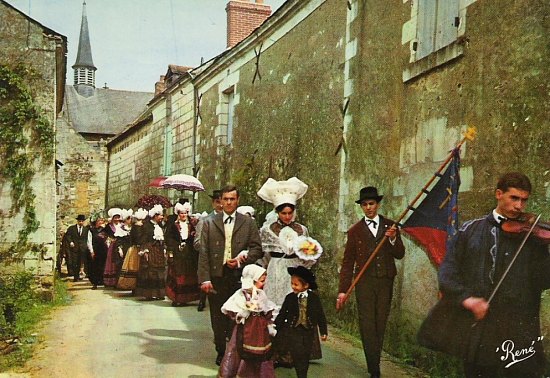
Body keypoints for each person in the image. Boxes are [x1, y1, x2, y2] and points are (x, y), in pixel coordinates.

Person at [436, 172, 550, 377]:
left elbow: (543, 280)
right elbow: (448, 272)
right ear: (499, 194)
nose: (519, 206)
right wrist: (467, 299)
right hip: (480, 330)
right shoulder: (470, 230)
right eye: (514, 198)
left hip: (519, 332)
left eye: (524, 200)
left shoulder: (534, 238)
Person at [336, 186, 405, 378]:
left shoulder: (390, 226)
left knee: (380, 323)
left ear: (378, 204)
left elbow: (400, 254)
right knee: (367, 324)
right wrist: (343, 290)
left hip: (385, 281)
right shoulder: (355, 231)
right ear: (361, 207)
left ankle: (374, 362)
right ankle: (374, 369)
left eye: (372, 204)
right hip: (364, 283)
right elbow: (348, 262)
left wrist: (392, 240)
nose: (369, 208)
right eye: (365, 205)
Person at [197, 184, 263, 366]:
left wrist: (242, 259)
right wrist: (205, 279)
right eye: (225, 199)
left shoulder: (247, 222)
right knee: (218, 317)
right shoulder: (210, 222)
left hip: (238, 276)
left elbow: (257, 248)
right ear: (220, 201)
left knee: (238, 315)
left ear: (237, 201)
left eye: (232, 199)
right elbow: (203, 252)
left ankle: (236, 352)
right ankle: (221, 351)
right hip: (217, 275)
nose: (228, 202)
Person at [218, 264, 277, 378]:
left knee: (262, 353)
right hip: (245, 329)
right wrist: (241, 314)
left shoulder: (261, 294)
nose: (264, 284)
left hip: (260, 330)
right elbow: (230, 310)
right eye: (261, 281)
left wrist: (269, 323)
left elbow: (267, 309)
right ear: (252, 281)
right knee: (239, 350)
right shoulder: (241, 295)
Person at [275, 266, 328, 378]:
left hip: (308, 331)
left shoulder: (314, 298)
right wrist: (275, 326)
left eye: (296, 284)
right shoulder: (290, 298)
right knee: (297, 354)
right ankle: (301, 373)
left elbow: (320, 315)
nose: (293, 287)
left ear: (306, 285)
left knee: (305, 355)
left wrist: (324, 332)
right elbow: (282, 313)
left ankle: (302, 374)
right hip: (293, 330)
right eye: (292, 284)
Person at [165, 202, 201, 306]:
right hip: (178, 253)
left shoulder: (192, 225)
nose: (183, 215)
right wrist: (175, 247)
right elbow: (169, 238)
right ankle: (176, 298)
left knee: (188, 275)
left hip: (189, 253)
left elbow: (196, 238)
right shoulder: (173, 225)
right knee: (177, 274)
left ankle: (186, 298)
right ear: (178, 214)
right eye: (181, 213)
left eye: (185, 213)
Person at [194, 189, 223, 312]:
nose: (221, 205)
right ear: (213, 203)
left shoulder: (233, 221)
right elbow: (196, 243)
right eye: (217, 202)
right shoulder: (205, 221)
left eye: (223, 202)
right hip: (212, 266)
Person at [135, 204, 167, 300]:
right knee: (150, 271)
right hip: (150, 249)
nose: (162, 217)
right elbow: (143, 239)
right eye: (160, 215)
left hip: (159, 250)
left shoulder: (159, 225)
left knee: (159, 270)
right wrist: (145, 250)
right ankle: (149, 294)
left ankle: (159, 293)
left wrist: (164, 248)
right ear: (155, 216)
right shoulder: (147, 226)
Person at [117, 208, 147, 291]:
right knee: (134, 267)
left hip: (135, 248)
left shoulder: (135, 227)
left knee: (137, 267)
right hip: (135, 248)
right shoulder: (136, 227)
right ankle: (133, 286)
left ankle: (137, 287)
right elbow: (137, 239)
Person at [64, 214, 91, 282]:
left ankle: (83, 274)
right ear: (77, 221)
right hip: (74, 248)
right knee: (75, 262)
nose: (81, 222)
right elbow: (67, 236)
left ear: (84, 221)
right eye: (79, 221)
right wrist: (71, 242)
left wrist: (88, 247)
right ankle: (76, 277)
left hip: (83, 249)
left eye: (82, 221)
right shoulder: (72, 228)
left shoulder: (86, 229)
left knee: (81, 262)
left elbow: (88, 239)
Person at [103, 208, 123, 287]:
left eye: (118, 217)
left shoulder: (122, 226)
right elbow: (104, 235)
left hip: (120, 244)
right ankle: (111, 281)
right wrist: (109, 240)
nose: (117, 219)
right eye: (115, 217)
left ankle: (119, 280)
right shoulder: (109, 226)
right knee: (111, 261)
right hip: (113, 245)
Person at [88, 214, 108, 289]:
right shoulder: (91, 230)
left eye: (102, 220)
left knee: (103, 265)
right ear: (96, 222)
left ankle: (102, 281)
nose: (100, 222)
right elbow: (89, 241)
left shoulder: (104, 229)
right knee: (95, 266)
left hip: (103, 249)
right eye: (99, 220)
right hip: (95, 249)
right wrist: (91, 251)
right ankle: (95, 283)